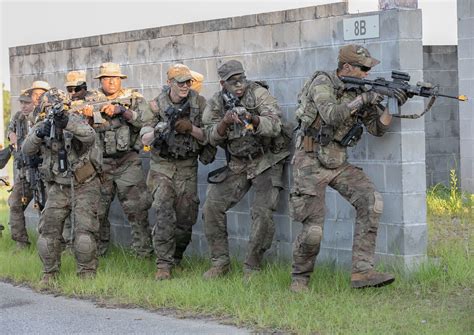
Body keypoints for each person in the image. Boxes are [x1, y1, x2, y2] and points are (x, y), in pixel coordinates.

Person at [289, 44, 408, 292]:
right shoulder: (323, 81)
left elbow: (378, 128)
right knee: (313, 230)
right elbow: (331, 114)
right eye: (363, 68)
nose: (367, 73)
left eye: (368, 69)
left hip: (337, 161)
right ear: (346, 67)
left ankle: (362, 272)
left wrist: (392, 106)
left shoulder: (360, 89)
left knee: (371, 201)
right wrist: (363, 98)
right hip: (309, 161)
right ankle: (300, 280)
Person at [201, 60, 290, 280]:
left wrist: (253, 118)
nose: (239, 85)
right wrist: (225, 122)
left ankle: (252, 267)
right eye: (233, 82)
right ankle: (220, 263)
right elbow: (209, 136)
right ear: (223, 83)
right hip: (238, 163)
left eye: (242, 79)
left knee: (262, 212)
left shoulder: (258, 93)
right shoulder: (216, 103)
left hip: (265, 160)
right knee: (212, 206)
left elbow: (275, 124)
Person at [141, 64, 215, 280]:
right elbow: (144, 138)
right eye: (180, 82)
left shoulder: (200, 104)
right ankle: (163, 265)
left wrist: (190, 128)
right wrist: (158, 130)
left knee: (186, 218)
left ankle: (176, 258)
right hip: (161, 166)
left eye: (187, 82)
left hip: (187, 167)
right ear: (170, 83)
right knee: (164, 213)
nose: (184, 86)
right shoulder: (155, 106)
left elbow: (210, 136)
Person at [22, 88, 101, 284]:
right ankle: (50, 273)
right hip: (58, 187)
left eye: (56, 109)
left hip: (84, 184)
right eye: (48, 108)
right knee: (48, 232)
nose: (52, 112)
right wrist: (39, 133)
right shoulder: (41, 125)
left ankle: (86, 275)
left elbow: (89, 136)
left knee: (84, 234)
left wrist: (66, 123)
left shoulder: (75, 120)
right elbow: (26, 149)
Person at [91, 62, 153, 257]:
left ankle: (142, 254)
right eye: (107, 78)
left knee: (138, 210)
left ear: (121, 79)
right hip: (101, 165)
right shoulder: (90, 100)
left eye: (115, 78)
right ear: (100, 80)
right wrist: (89, 116)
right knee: (97, 212)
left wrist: (123, 111)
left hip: (128, 161)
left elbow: (148, 121)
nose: (111, 81)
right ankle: (97, 254)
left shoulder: (134, 98)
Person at [6, 90, 37, 249]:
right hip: (23, 172)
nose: (24, 106)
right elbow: (9, 130)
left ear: (35, 103)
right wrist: (11, 134)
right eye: (22, 103)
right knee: (15, 204)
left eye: (28, 103)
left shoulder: (41, 117)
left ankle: (57, 246)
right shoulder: (18, 117)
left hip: (40, 172)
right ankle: (21, 243)